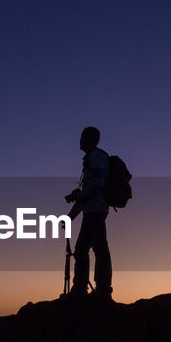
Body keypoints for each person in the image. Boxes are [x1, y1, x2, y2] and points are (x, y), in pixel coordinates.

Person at [63, 126, 112, 298]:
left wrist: (81, 195)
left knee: (97, 248)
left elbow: (98, 181)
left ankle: (99, 289)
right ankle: (86, 288)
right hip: (93, 210)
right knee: (85, 248)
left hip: (96, 210)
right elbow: (85, 196)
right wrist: (70, 217)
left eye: (82, 137)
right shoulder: (91, 158)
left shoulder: (95, 156)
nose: (79, 140)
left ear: (90, 139)